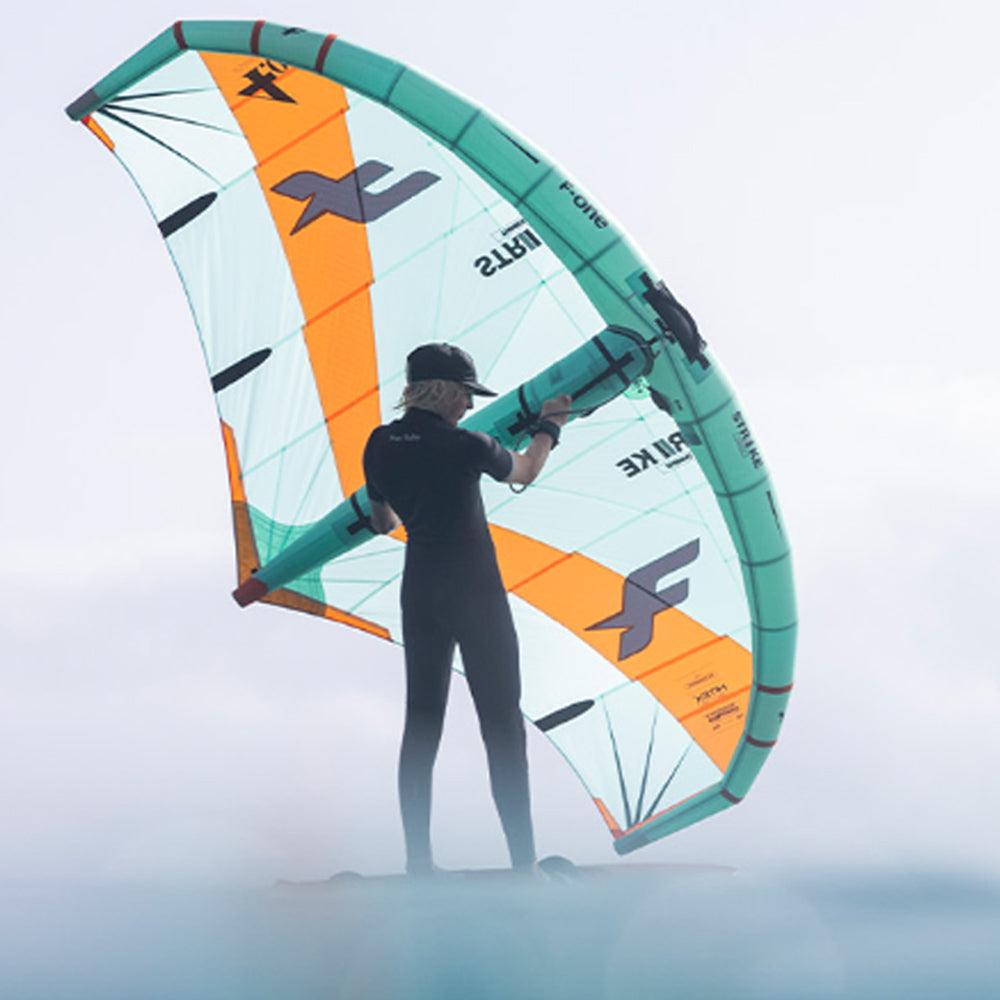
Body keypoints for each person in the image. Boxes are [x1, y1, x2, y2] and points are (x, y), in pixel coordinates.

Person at [362, 342, 569, 875]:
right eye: (465, 394)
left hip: (420, 592)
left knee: (421, 723)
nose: (470, 405)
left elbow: (382, 522)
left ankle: (418, 865)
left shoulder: (378, 443)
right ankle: (524, 868)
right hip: (475, 593)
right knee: (502, 725)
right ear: (443, 391)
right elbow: (525, 470)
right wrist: (551, 425)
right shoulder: (466, 445)